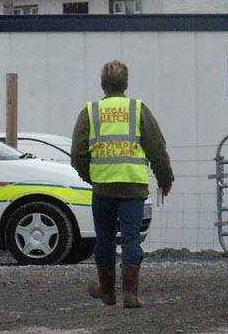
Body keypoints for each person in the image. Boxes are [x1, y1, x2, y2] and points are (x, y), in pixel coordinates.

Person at [71, 60, 174, 308]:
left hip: (103, 187)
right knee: (131, 238)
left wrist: (91, 176)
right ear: (126, 84)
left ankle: (107, 292)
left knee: (104, 239)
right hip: (133, 186)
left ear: (102, 84)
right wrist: (165, 178)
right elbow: (157, 148)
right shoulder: (138, 109)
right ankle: (130, 294)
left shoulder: (90, 112)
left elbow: (77, 154)